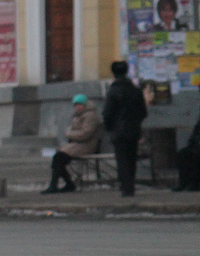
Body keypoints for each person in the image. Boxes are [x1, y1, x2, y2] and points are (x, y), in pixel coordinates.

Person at [102, 61, 148, 197]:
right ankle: (130, 185)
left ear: (114, 73)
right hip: (134, 130)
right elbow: (143, 112)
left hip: (119, 130)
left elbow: (108, 113)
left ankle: (126, 187)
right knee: (131, 158)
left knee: (122, 160)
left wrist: (109, 126)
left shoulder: (113, 91)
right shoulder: (135, 90)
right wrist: (135, 122)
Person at [42, 94, 101, 194]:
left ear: (85, 105)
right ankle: (65, 184)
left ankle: (58, 185)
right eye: (75, 105)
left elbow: (85, 134)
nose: (77, 107)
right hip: (78, 145)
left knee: (58, 158)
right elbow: (74, 131)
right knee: (58, 158)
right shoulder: (78, 116)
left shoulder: (90, 116)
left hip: (87, 145)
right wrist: (71, 134)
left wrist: (70, 134)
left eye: (79, 104)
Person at [172, 116, 200, 192]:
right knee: (183, 154)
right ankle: (183, 183)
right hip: (196, 146)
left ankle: (195, 183)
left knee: (195, 156)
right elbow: (194, 136)